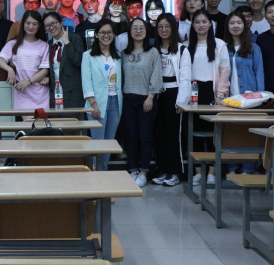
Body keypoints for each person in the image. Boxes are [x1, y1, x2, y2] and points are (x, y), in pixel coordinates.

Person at [187, 8, 231, 185]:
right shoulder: (186, 45)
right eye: (197, 22)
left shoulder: (219, 45)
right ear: (192, 25)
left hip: (212, 93)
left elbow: (225, 71)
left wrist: (220, 94)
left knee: (213, 134)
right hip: (193, 92)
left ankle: (212, 172)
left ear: (210, 24)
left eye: (204, 22)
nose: (201, 25)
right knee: (195, 134)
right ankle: (198, 172)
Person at [151, 13, 191, 187]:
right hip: (157, 94)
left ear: (173, 28)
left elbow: (185, 77)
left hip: (174, 94)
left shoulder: (182, 50)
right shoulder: (153, 49)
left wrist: (181, 101)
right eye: (160, 27)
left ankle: (175, 172)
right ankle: (162, 170)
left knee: (174, 135)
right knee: (158, 134)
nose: (164, 30)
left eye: (167, 26)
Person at [121, 18, 162, 187]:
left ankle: (144, 172)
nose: (138, 31)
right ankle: (132, 170)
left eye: (141, 28)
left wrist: (151, 97)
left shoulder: (153, 52)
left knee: (145, 136)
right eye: (135, 28)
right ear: (130, 32)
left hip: (146, 99)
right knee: (131, 137)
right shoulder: (123, 53)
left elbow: (157, 75)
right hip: (127, 99)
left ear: (146, 31)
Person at [81, 19, 123, 171]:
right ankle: (94, 173)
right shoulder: (88, 55)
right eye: (103, 32)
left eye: (109, 32)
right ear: (97, 35)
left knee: (109, 141)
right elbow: (86, 81)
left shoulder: (118, 56)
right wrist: (93, 103)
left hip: (115, 102)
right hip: (97, 103)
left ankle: (103, 171)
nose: (106, 35)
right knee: (97, 140)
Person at [0, 10, 50, 110]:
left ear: (39, 25)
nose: (31, 26)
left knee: (41, 120)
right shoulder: (13, 43)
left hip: (40, 93)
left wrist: (28, 82)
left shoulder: (44, 45)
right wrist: (10, 70)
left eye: (34, 24)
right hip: (22, 93)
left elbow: (45, 70)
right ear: (23, 24)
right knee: (28, 120)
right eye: (28, 23)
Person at [41, 12, 85, 110]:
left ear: (61, 22)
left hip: (72, 93)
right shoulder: (47, 45)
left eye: (53, 23)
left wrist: (67, 43)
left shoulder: (75, 39)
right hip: (55, 92)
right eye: (47, 25)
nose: (51, 27)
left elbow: (78, 61)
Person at [224, 11, 264, 96]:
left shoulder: (253, 48)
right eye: (232, 23)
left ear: (244, 25)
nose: (236, 26)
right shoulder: (223, 48)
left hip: (249, 96)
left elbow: (259, 74)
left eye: (239, 23)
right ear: (227, 26)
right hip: (228, 98)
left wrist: (260, 96)